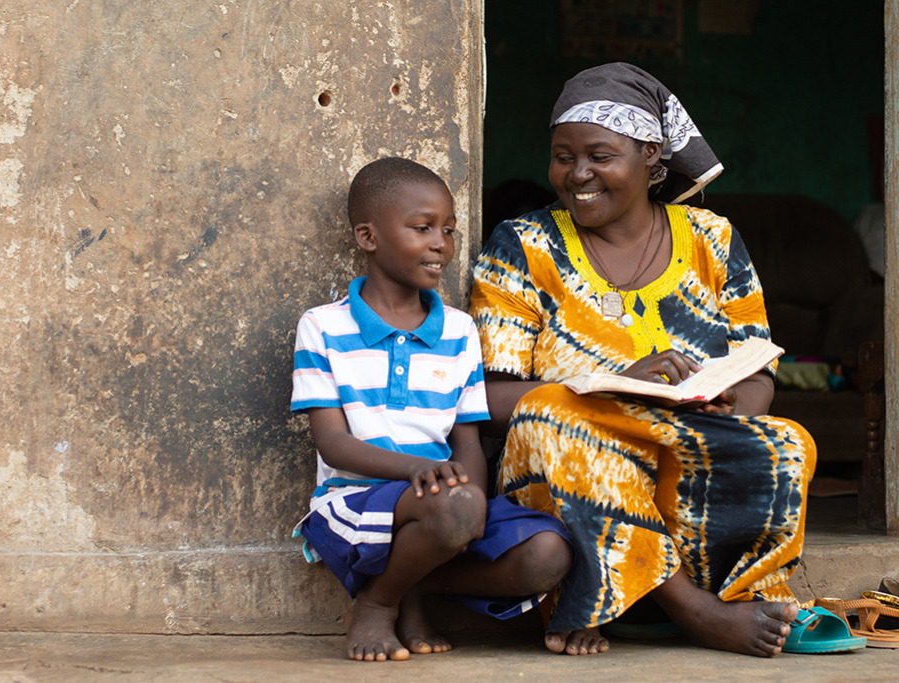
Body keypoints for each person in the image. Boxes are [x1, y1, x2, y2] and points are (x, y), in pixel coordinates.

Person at [469, 63, 819, 658]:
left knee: (788, 442)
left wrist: (732, 410)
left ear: (651, 155)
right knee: (556, 418)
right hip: (570, 450)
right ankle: (691, 610)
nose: (577, 174)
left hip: (686, 434)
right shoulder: (523, 245)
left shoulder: (712, 238)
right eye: (562, 156)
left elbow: (757, 366)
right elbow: (493, 396)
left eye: (599, 155)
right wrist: (612, 383)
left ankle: (733, 595)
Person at [291, 157, 574, 662]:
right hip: (356, 501)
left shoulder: (460, 331)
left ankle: (416, 585)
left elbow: (468, 440)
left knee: (549, 553)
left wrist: (471, 508)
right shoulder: (323, 327)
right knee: (456, 505)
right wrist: (421, 470)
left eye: (447, 229)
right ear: (368, 237)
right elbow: (333, 444)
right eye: (422, 228)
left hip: (444, 504)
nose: (441, 242)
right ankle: (378, 603)